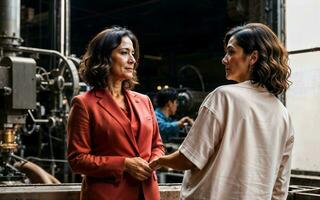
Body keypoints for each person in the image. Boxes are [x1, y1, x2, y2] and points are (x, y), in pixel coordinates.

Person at [150, 23, 294, 200]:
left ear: (253, 57)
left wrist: (159, 160)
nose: (224, 59)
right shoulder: (282, 113)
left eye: (231, 52)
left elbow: (189, 158)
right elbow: (279, 188)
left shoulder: (223, 96)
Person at [67, 26, 165, 200]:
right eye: (124, 52)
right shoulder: (84, 104)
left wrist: (153, 162)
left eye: (133, 54)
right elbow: (77, 159)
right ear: (104, 57)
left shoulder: (144, 100)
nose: (132, 60)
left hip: (148, 193)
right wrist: (124, 164)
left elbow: (157, 146)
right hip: (108, 195)